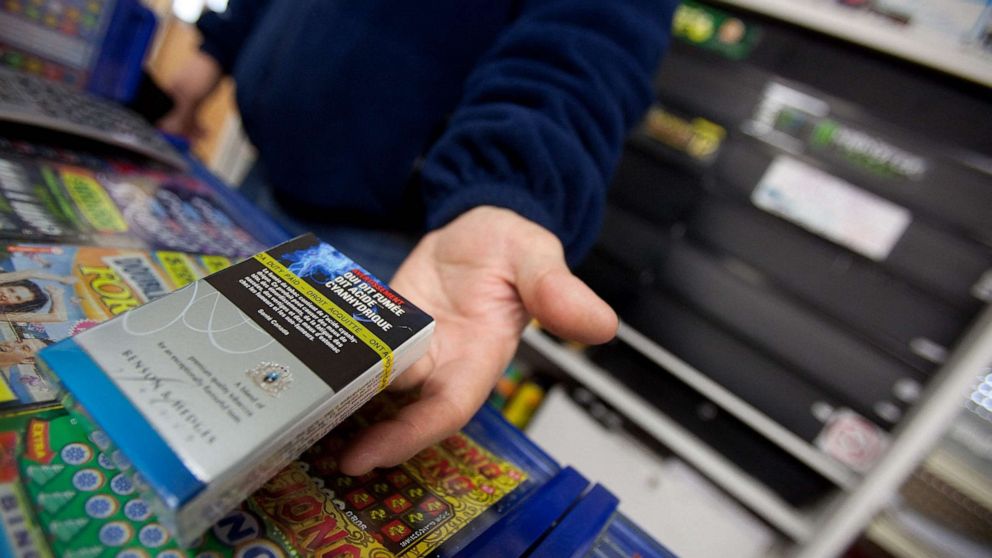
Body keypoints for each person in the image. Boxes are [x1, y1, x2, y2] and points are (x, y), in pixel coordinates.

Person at [159, 0, 678, 475]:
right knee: (174, 388)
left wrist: (505, 185)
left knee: (274, 457)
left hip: (390, 241)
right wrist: (216, 51)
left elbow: (591, 35)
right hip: (259, 174)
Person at [0, 270, 75, 323]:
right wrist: (62, 279)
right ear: (5, 285)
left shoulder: (4, 315)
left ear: (16, 305)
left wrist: (57, 296)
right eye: (11, 290)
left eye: (17, 298)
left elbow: (59, 317)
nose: (6, 295)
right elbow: (31, 273)